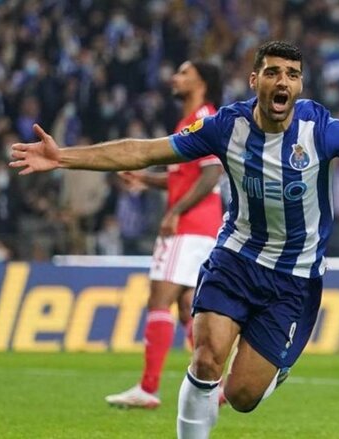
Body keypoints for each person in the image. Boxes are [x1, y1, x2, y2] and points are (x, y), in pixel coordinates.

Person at [10, 41, 339, 439]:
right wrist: (64, 157)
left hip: (294, 279)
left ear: (300, 85)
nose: (283, 81)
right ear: (255, 79)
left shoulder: (323, 130)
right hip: (235, 257)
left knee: (242, 395)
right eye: (274, 72)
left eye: (292, 74)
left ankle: (271, 368)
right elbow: (144, 151)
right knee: (206, 357)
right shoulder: (224, 127)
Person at [104, 60, 224, 409]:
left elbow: (211, 174)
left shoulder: (203, 120)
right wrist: (145, 179)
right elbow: (183, 177)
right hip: (204, 227)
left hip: (189, 227)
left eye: (184, 73)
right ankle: (214, 386)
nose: (175, 77)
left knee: (159, 299)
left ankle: (148, 388)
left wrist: (175, 212)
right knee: (188, 307)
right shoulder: (189, 122)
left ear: (202, 82)